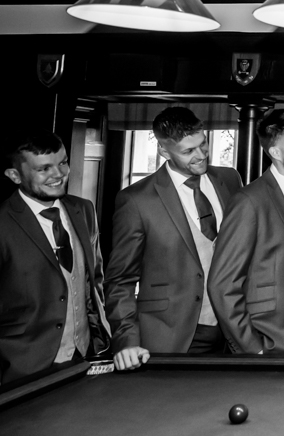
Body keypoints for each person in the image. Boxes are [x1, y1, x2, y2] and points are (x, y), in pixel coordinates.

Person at [106, 107, 242, 369]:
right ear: (164, 151)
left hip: (233, 332)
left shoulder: (230, 179)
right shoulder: (136, 200)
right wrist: (127, 340)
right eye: (188, 151)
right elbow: (120, 280)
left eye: (203, 145)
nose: (201, 156)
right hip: (172, 335)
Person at [208, 109, 284, 354]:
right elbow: (222, 284)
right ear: (275, 153)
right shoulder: (248, 201)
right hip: (271, 340)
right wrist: (251, 348)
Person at [0, 133, 109, 384]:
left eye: (62, 162)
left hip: (85, 358)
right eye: (44, 169)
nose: (59, 174)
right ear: (15, 176)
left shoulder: (84, 210)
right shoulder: (3, 223)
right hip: (22, 369)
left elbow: (95, 282)